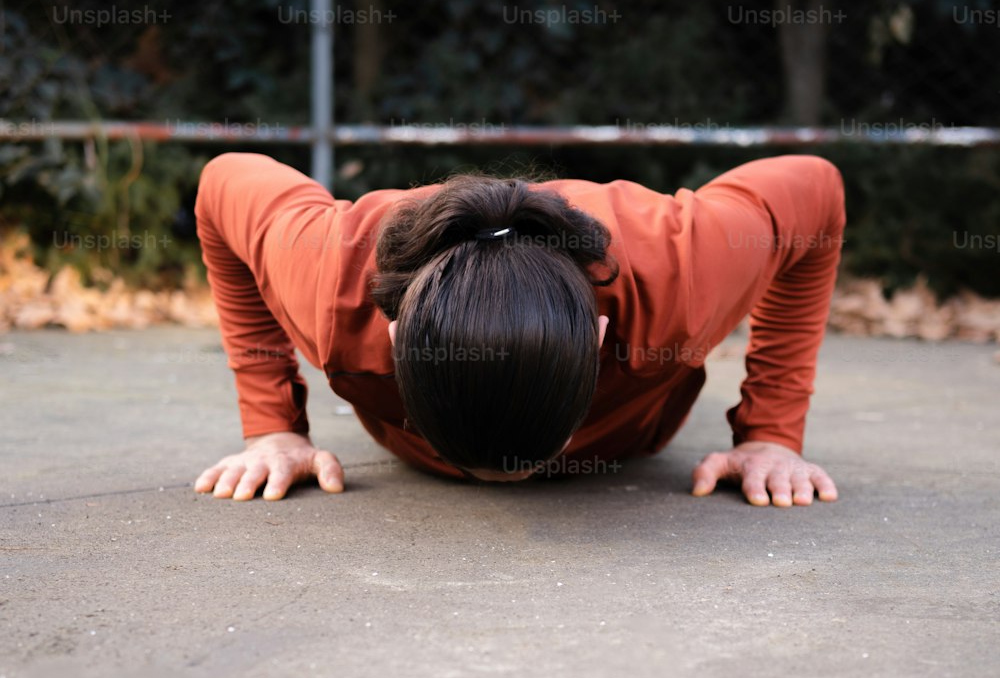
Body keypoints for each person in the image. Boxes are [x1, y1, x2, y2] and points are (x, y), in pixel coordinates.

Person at [193, 152, 844, 507]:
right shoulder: (333, 277)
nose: (509, 485)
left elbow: (815, 189)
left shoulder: (681, 267)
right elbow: (222, 184)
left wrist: (771, 435)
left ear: (596, 336)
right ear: (396, 342)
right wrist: (273, 427)